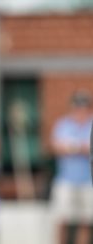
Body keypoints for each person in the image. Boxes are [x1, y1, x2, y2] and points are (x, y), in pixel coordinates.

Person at [50, 90, 93, 244]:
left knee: (86, 221)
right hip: (65, 179)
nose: (80, 111)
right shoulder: (63, 123)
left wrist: (70, 147)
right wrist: (79, 148)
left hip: (88, 181)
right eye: (77, 107)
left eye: (83, 107)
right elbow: (56, 147)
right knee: (62, 219)